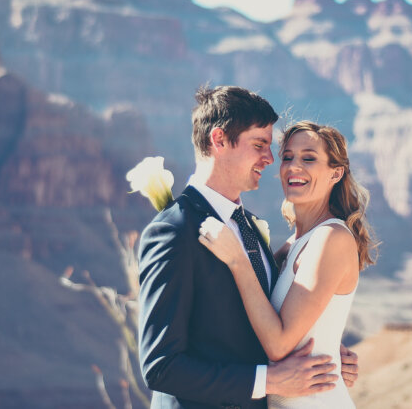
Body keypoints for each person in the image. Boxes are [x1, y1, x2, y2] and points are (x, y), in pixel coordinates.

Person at [137, 86, 359, 409]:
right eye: (260, 146)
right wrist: (268, 380)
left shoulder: (251, 230)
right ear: (219, 140)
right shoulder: (174, 230)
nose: (270, 160)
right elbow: (160, 366)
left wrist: (324, 347)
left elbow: (266, 318)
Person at [199, 121, 376, 409]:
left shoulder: (332, 238)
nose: (294, 166)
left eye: (309, 158)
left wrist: (238, 261)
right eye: (288, 157)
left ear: (336, 172)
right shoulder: (294, 244)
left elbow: (279, 344)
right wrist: (331, 348)